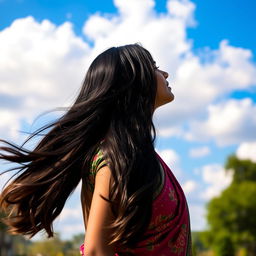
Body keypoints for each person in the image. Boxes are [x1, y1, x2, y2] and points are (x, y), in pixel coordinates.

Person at [0, 44, 192, 255]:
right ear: (134, 81)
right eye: (154, 66)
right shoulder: (112, 158)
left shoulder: (139, 154)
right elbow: (95, 251)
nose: (165, 73)